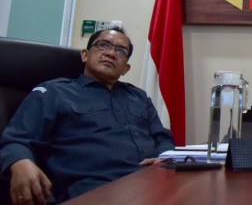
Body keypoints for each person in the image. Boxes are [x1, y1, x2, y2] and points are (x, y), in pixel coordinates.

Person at [0, 27, 175, 204]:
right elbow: (17, 139)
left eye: (121, 51)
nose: (111, 53)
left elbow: (162, 138)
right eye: (103, 45)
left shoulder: (139, 97)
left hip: (151, 184)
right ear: (85, 55)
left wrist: (165, 156)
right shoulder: (54, 92)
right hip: (93, 190)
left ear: (125, 68)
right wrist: (20, 162)